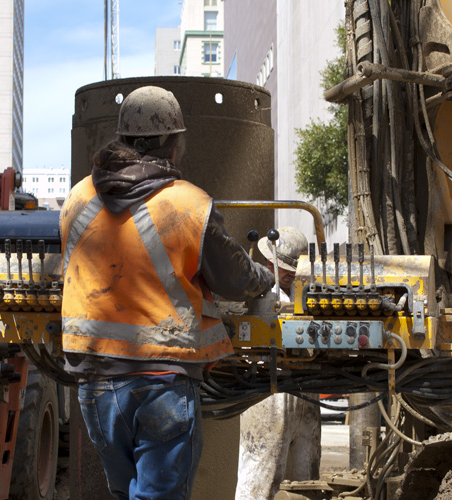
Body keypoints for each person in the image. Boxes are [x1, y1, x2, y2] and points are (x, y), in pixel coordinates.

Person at [60, 85, 274, 500]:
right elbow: (234, 278)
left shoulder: (77, 199)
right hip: (161, 382)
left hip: (95, 385)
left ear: (122, 140)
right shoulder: (187, 204)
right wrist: (266, 278)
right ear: (174, 147)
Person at [235, 227, 322, 500]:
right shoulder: (260, 291)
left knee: (306, 482)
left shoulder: (308, 293)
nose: (290, 275)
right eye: (284, 269)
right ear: (270, 262)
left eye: (294, 270)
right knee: (259, 483)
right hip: (267, 389)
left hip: (305, 386)